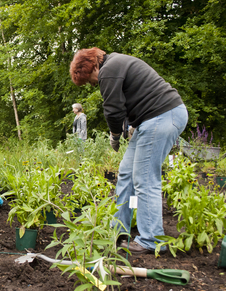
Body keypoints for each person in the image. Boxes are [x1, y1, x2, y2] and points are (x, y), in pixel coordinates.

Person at [69, 47, 188, 254]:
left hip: (162, 116)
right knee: (126, 173)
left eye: (89, 79)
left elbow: (113, 110)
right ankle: (119, 230)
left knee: (145, 179)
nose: (93, 83)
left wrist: (115, 136)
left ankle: (151, 240)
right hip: (150, 121)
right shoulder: (116, 64)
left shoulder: (109, 69)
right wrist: (131, 126)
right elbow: (129, 102)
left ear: (93, 66)